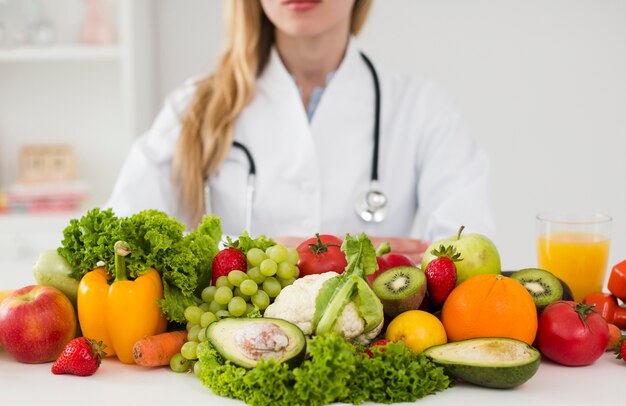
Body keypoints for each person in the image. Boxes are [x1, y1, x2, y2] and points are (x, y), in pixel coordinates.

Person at [105, 0, 495, 263]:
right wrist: (264, 252)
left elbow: (469, 257)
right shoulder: (192, 108)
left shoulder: (424, 109)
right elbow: (118, 249)